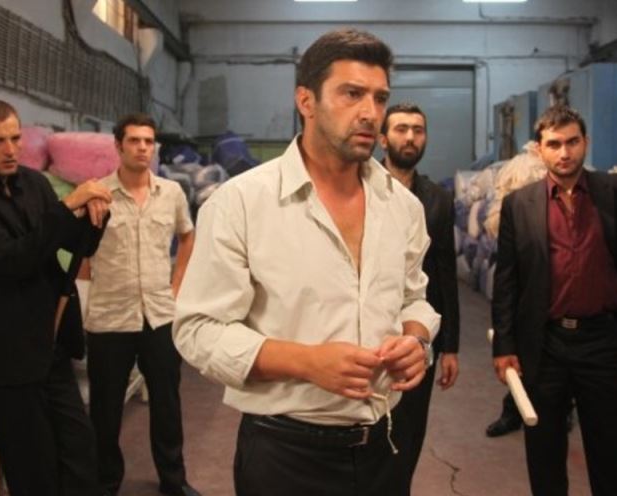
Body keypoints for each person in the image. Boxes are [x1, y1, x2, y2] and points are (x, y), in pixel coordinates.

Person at [173, 29, 439, 496]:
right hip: (285, 456)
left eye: (379, 98)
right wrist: (306, 362)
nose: (370, 112)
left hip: (383, 447)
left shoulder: (403, 207)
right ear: (306, 101)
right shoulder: (241, 203)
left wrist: (416, 340)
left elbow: (413, 297)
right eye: (352, 94)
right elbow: (198, 330)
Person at [491, 105, 617, 495]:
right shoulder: (519, 205)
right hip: (544, 344)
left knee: (614, 453)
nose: (564, 153)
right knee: (544, 451)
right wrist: (505, 346)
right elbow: (507, 280)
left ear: (586, 142)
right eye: (554, 144)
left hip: (601, 340)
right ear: (539, 150)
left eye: (572, 142)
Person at [0, 99, 112, 496]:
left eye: (15, 138)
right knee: (34, 472)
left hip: (51, 345)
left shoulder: (33, 183)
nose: (11, 149)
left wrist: (94, 214)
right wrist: (68, 205)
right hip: (6, 356)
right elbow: (13, 260)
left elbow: (71, 244)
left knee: (81, 459)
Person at [81, 114, 198, 496]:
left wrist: (177, 286)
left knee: (167, 405)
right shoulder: (97, 194)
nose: (143, 148)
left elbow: (187, 236)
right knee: (106, 408)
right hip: (110, 317)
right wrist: (85, 297)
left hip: (160, 315)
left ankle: (173, 481)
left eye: (149, 141)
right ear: (118, 146)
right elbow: (82, 253)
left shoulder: (171, 193)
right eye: (134, 141)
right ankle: (105, 482)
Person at [378, 102, 460, 489]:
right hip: (372, 332)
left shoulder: (438, 199)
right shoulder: (362, 188)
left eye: (418, 130)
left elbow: (445, 274)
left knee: (409, 431)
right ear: (383, 139)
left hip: (418, 335)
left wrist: (450, 346)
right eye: (400, 129)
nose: (410, 137)